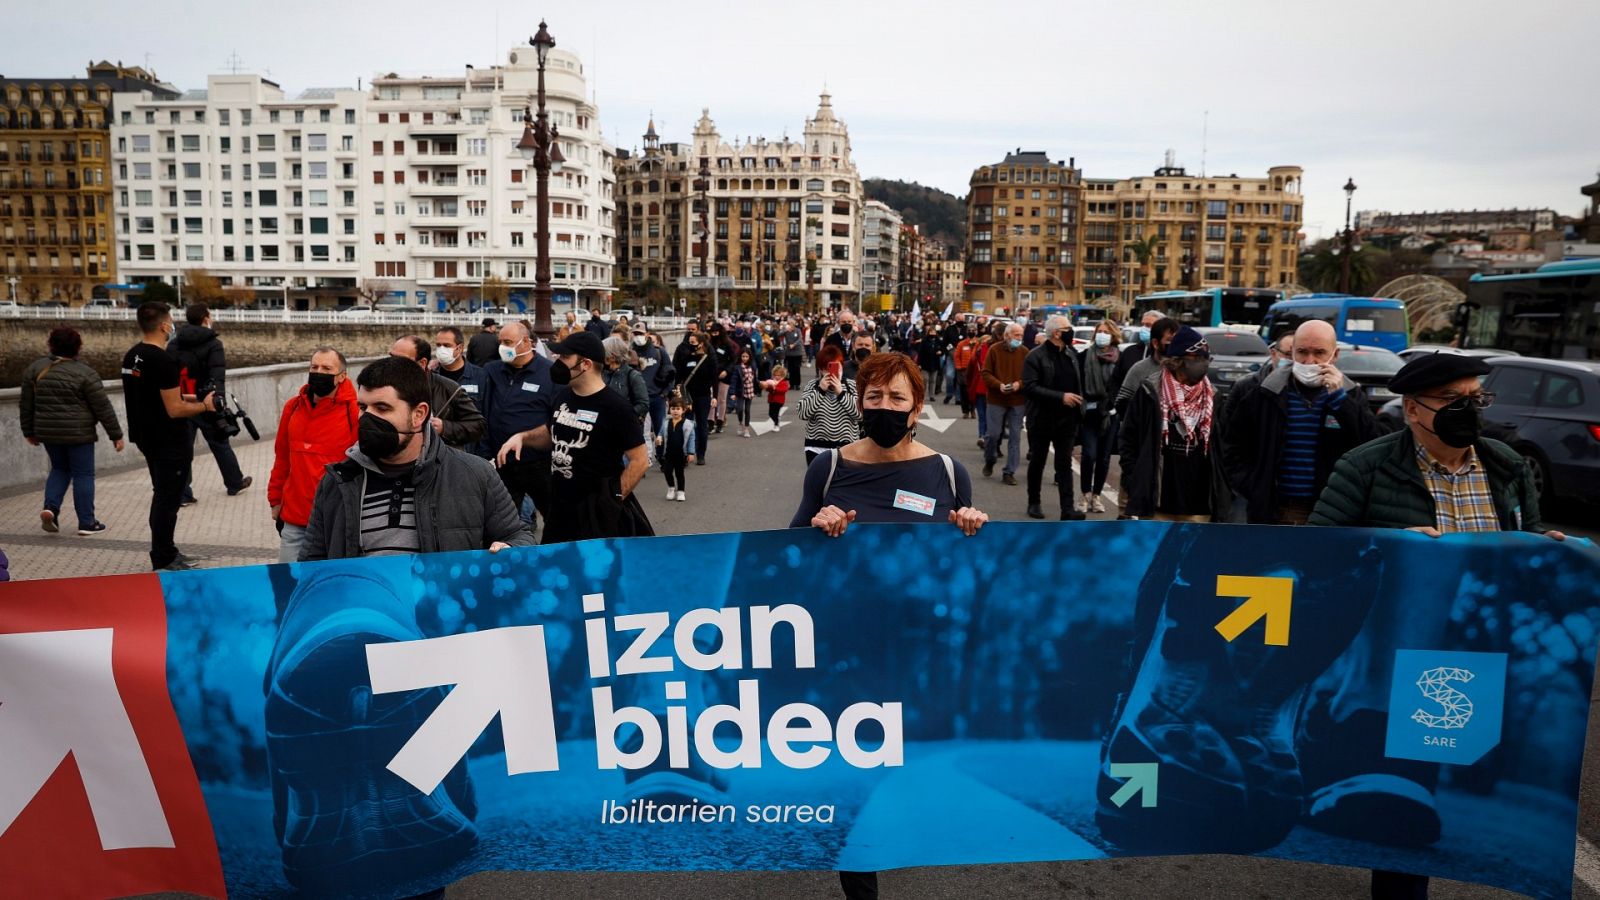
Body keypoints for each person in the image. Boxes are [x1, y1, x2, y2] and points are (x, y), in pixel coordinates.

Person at [1306, 353, 1564, 900]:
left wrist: (1544, 552)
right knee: (1400, 824)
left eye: (1476, 399)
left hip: (1467, 656)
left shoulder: (1507, 467)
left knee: (1428, 799)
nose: (1468, 410)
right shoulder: (1365, 466)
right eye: (1454, 400)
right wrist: (1389, 543)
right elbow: (1318, 556)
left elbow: (1524, 545)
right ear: (1413, 409)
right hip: (1383, 653)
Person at [790, 355, 989, 900]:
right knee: (857, 784)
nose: (883, 408)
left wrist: (971, 529)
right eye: (873, 398)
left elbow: (964, 574)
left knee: (909, 777)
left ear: (916, 407)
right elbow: (786, 560)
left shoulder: (949, 474)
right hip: (846, 657)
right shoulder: (828, 470)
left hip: (919, 658)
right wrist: (816, 528)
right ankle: (862, 879)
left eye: (896, 399)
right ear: (859, 403)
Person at [300, 356, 532, 560]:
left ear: (419, 414)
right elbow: (311, 561)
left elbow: (518, 536)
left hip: (441, 607)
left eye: (382, 408)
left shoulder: (475, 474)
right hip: (365, 609)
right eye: (363, 407)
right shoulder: (338, 481)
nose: (367, 418)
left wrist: (510, 549)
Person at [496, 331, 652, 544]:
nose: (556, 361)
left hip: (597, 516)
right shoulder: (563, 396)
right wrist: (522, 437)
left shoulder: (616, 407)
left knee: (595, 574)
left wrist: (612, 500)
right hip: (559, 510)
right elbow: (553, 432)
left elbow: (640, 460)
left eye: (564, 357)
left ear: (585, 364)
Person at [1223, 321, 1381, 525]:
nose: (1309, 361)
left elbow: (1371, 445)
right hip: (1274, 512)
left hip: (1330, 513)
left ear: (1335, 355)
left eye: (1319, 353)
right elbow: (1231, 448)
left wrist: (1341, 401)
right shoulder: (1264, 394)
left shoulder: (1351, 396)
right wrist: (1255, 488)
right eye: (1302, 352)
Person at [122, 301, 218, 570]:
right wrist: (204, 406)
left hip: (145, 436)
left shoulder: (132, 356)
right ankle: (163, 556)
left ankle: (165, 549)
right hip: (168, 440)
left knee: (162, 494)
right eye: (171, 322)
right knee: (168, 499)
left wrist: (192, 396)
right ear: (164, 326)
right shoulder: (162, 360)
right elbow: (175, 409)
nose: (173, 326)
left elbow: (155, 396)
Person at [1118, 326, 1231, 522]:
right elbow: (1128, 439)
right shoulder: (1150, 392)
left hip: (1200, 505)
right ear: (1177, 361)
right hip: (1159, 501)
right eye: (1196, 358)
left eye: (1206, 358)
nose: (1203, 364)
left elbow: (1225, 448)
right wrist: (1134, 479)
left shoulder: (1214, 397)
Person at [21, 325, 124, 535]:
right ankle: (87, 522)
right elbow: (102, 407)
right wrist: (116, 435)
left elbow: (26, 404)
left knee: (59, 469)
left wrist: (28, 431)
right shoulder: (85, 373)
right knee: (83, 474)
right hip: (79, 433)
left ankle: (51, 508)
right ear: (78, 347)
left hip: (48, 432)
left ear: (51, 345)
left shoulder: (35, 369)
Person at [267, 347, 360, 563]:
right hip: (295, 519)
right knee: (289, 585)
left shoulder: (354, 412)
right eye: (314, 367)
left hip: (336, 521)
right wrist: (275, 500)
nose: (319, 372)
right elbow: (282, 457)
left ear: (342, 376)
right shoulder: (293, 408)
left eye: (327, 368)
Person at [478, 321, 555, 537]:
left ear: (526, 343)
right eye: (500, 341)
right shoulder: (492, 370)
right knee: (499, 525)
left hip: (539, 462)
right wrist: (485, 455)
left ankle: (554, 560)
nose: (502, 346)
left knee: (555, 517)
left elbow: (555, 417)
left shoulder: (549, 373)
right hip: (501, 463)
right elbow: (483, 412)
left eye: (508, 342)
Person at [169, 303, 250, 502]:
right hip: (206, 402)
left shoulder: (174, 343)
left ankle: (182, 494)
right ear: (206, 318)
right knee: (220, 443)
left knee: (182, 449)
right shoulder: (213, 344)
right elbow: (217, 374)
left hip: (181, 401)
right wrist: (217, 400)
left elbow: (168, 375)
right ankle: (234, 483)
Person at [1019, 315, 1088, 520]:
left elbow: (1078, 383)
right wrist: (1061, 397)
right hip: (1041, 418)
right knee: (1038, 461)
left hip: (1067, 420)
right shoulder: (1035, 356)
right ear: (1057, 333)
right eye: (1068, 328)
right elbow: (1030, 388)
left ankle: (1067, 509)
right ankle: (1034, 502)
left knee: (1064, 463)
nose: (1071, 331)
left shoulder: (1071, 354)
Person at [391, 336, 486, 450]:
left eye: (401, 360)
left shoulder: (449, 388)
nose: (392, 364)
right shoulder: (383, 384)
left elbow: (478, 425)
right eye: (391, 357)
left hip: (439, 461)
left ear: (422, 363)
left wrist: (444, 427)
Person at [1077, 319, 1125, 514]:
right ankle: (1085, 494)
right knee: (1089, 455)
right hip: (1088, 412)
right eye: (1099, 331)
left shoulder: (1120, 359)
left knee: (1104, 458)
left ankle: (1097, 496)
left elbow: (1123, 386)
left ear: (1113, 336)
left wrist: (1113, 404)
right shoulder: (1084, 356)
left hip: (1110, 414)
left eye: (1106, 331)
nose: (1102, 335)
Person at [981, 322, 1029, 485]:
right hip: (996, 399)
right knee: (993, 435)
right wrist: (999, 385)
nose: (1019, 338)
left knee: (1015, 437)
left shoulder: (1024, 352)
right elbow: (986, 373)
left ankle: (1009, 471)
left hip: (1017, 401)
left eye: (1021, 335)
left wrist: (1019, 384)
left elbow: (1030, 377)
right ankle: (990, 459)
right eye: (1017, 335)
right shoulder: (994, 350)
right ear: (1007, 335)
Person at [799, 344, 862, 466]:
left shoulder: (851, 385)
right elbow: (803, 413)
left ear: (841, 366)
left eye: (835, 366)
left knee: (844, 484)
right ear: (820, 369)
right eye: (826, 368)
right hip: (815, 446)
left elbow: (860, 415)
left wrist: (841, 393)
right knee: (819, 484)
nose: (830, 372)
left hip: (847, 447)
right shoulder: (813, 386)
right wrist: (821, 390)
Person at [675, 330, 719, 465]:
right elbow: (680, 375)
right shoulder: (687, 357)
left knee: (701, 425)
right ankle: (687, 453)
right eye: (690, 342)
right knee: (686, 425)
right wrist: (677, 389)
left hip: (703, 396)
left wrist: (715, 396)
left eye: (693, 343)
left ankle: (701, 454)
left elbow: (714, 379)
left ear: (701, 343)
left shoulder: (709, 358)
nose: (691, 345)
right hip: (688, 397)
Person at [633, 328, 675, 466]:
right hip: (639, 398)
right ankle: (643, 458)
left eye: (640, 333)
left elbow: (670, 372)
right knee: (640, 430)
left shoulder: (659, 351)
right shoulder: (631, 353)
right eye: (635, 334)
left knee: (659, 428)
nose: (638, 337)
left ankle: (661, 455)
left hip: (657, 397)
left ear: (647, 334)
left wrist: (666, 392)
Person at [601, 335, 650, 425]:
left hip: (625, 428)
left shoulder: (633, 376)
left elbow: (643, 404)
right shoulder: (603, 373)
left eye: (604, 353)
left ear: (613, 357)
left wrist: (623, 416)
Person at [655, 396, 696, 501]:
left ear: (683, 410)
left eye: (678, 409)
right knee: (667, 471)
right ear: (669, 410)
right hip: (668, 453)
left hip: (680, 454)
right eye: (673, 409)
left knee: (679, 473)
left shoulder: (688, 425)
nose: (675, 411)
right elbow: (661, 433)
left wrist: (691, 452)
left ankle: (681, 491)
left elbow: (691, 439)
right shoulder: (666, 422)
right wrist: (659, 438)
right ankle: (671, 488)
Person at [728, 348, 757, 437]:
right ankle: (740, 423)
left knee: (747, 410)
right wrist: (732, 393)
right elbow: (733, 380)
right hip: (740, 391)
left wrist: (762, 385)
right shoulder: (737, 367)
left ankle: (746, 429)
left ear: (749, 357)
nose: (744, 358)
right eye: (743, 356)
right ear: (740, 357)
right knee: (740, 409)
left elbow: (755, 379)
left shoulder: (752, 366)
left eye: (746, 356)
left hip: (750, 391)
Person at [761, 364, 791, 432]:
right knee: (770, 413)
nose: (776, 377)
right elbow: (768, 389)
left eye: (778, 375)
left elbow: (783, 390)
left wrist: (775, 388)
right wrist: (766, 387)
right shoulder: (772, 381)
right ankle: (776, 419)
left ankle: (776, 425)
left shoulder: (784, 382)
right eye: (775, 375)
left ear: (782, 375)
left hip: (779, 401)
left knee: (775, 413)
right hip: (771, 400)